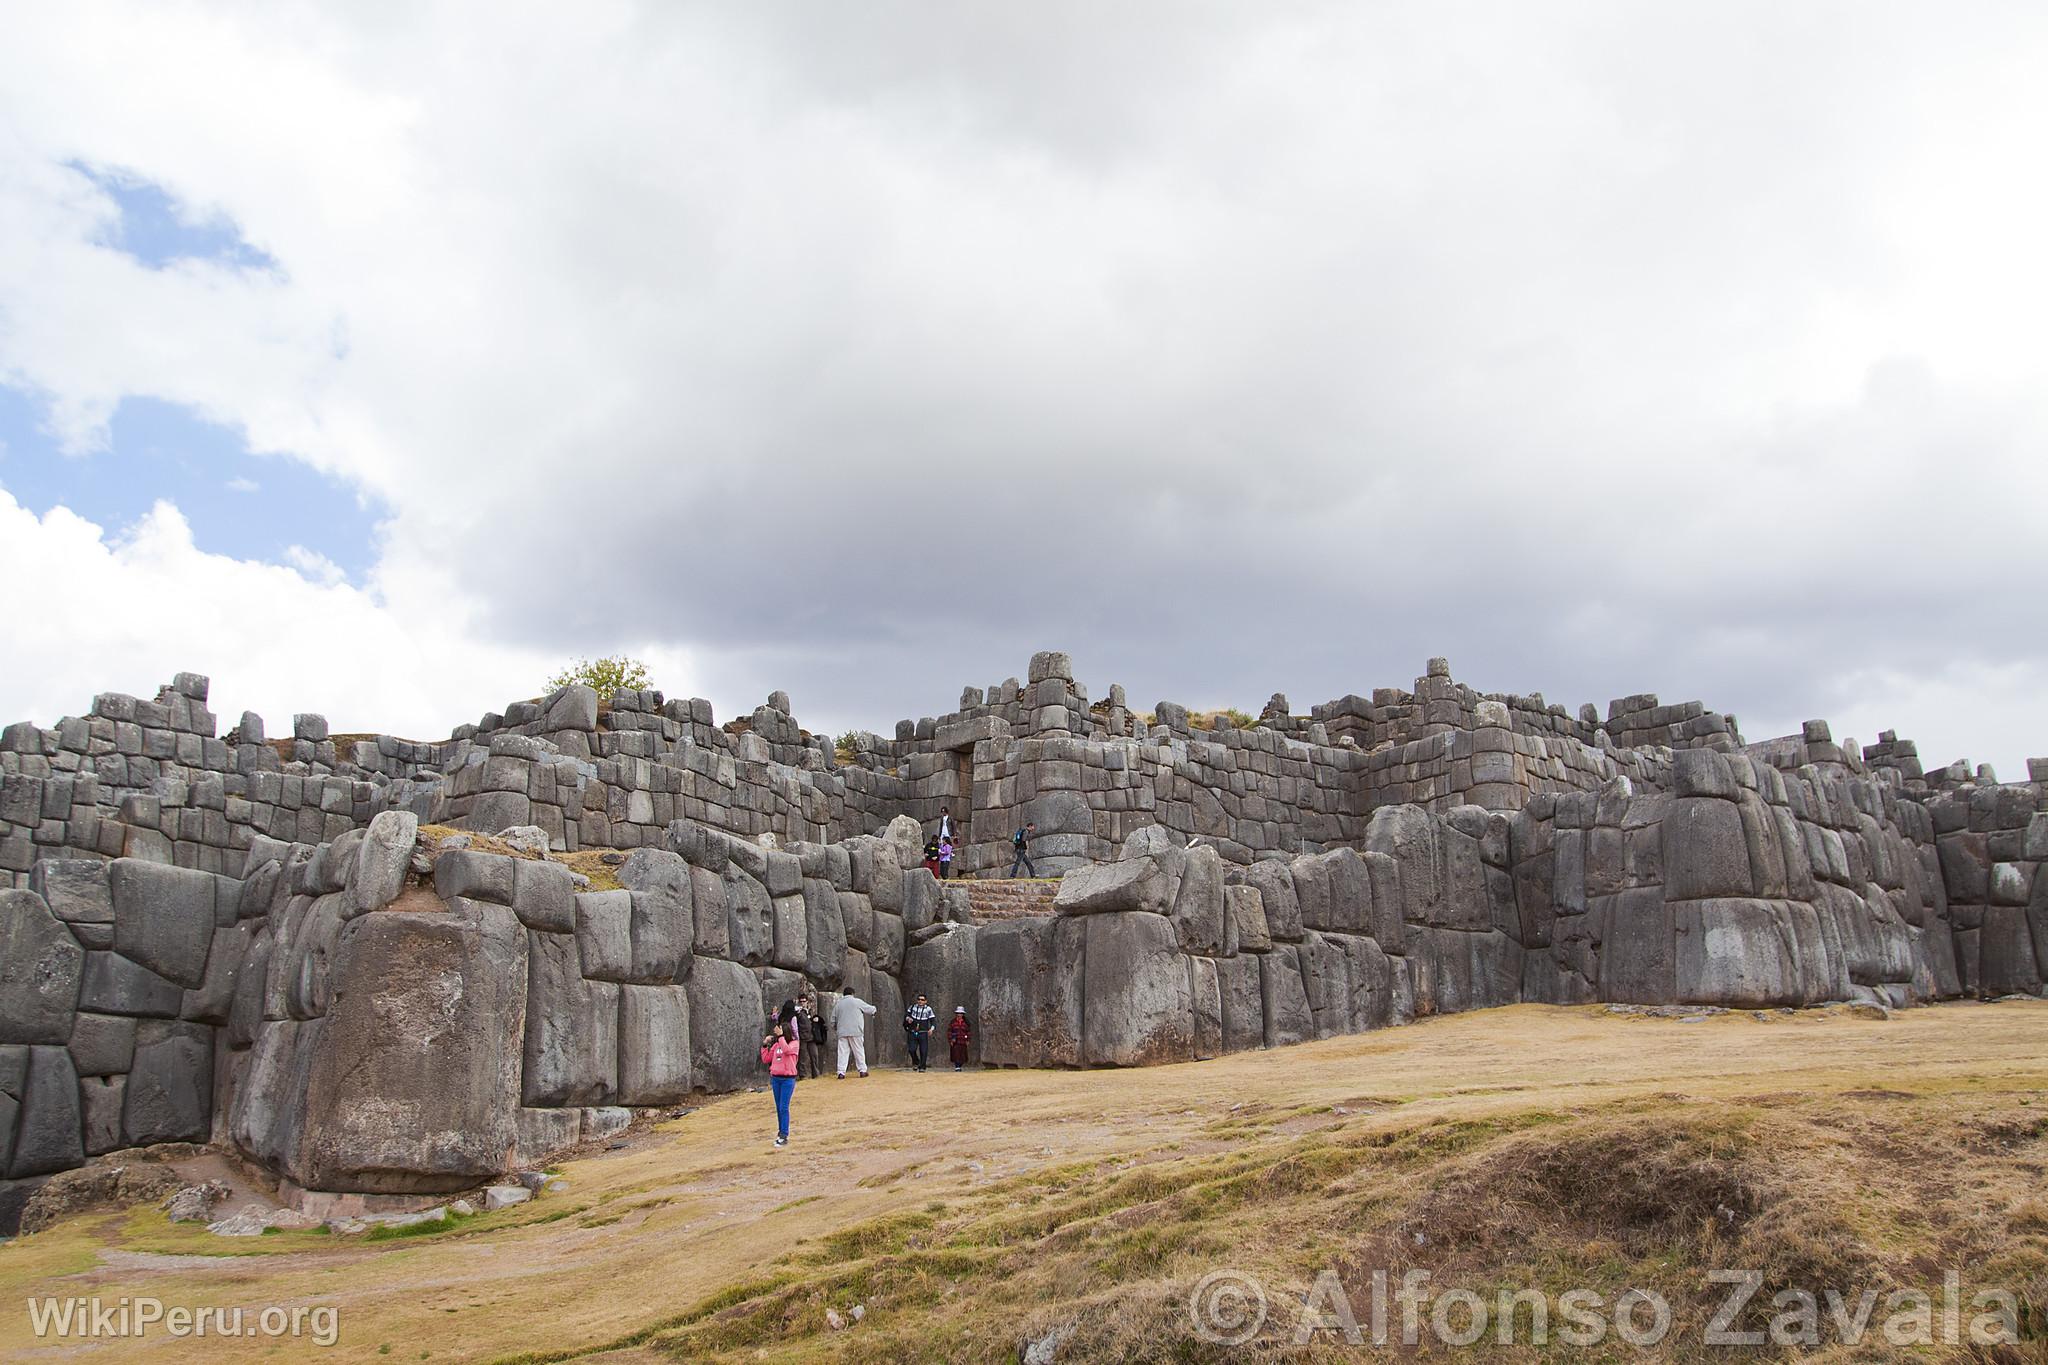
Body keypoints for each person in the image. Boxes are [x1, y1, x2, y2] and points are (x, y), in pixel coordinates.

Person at [760, 1000, 801, 1148]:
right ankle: (780, 1132)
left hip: (788, 1079)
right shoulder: (777, 1044)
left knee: (784, 1107)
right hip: (776, 1078)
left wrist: (782, 1037)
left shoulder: (794, 1044)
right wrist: (765, 1045)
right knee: (778, 1107)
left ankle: (784, 1134)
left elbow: (788, 1051)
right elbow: (766, 1059)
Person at [832, 991, 876, 1078]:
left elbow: (833, 1019)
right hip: (856, 1031)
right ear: (852, 993)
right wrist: (874, 1010)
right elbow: (870, 1009)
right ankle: (862, 1070)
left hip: (842, 1032)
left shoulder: (838, 1004)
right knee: (858, 1051)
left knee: (842, 1053)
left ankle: (841, 1072)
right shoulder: (857, 1001)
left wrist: (836, 1028)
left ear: (844, 994)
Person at [795, 994, 826, 1079]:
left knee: (814, 1055)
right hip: (802, 1037)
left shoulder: (811, 1011)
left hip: (812, 1037)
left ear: (807, 1002)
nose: (802, 1003)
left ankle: (815, 1074)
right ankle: (802, 1075)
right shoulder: (798, 1012)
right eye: (800, 1001)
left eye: (804, 1001)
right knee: (802, 1057)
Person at [904, 993, 937, 1071]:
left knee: (923, 1050)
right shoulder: (912, 1007)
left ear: (925, 1001)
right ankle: (916, 1061)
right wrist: (908, 1019)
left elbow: (933, 1021)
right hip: (913, 1031)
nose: (920, 1001)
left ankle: (922, 1066)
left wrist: (931, 1029)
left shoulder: (928, 1009)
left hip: (923, 1032)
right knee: (911, 1049)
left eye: (922, 1000)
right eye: (919, 999)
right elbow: (906, 1015)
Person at [947, 1005, 972, 1071]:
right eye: (958, 1013)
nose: (959, 1015)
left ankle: (960, 1065)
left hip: (963, 1041)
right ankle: (957, 1066)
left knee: (963, 1055)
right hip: (955, 1041)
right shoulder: (953, 1022)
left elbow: (968, 1032)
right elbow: (949, 1031)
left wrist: (967, 1039)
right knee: (956, 1054)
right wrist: (951, 1040)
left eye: (961, 1013)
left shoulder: (966, 1023)